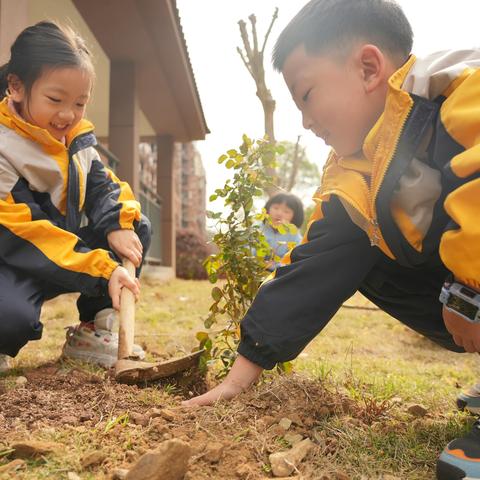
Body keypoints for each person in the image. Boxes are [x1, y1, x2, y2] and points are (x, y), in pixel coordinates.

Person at [183, 1, 480, 478]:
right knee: (359, 245)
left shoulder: (458, 93)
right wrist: (238, 381)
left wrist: (469, 293)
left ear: (367, 68)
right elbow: (314, 264)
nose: (305, 120)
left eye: (307, 95)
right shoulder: (355, 169)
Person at [0, 21, 150, 372]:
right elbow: (30, 234)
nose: (68, 115)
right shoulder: (4, 148)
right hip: (13, 257)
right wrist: (103, 269)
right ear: (16, 87)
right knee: (9, 320)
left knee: (132, 227)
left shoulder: (76, 140)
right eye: (55, 100)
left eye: (80, 103)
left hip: (54, 252)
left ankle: (93, 329)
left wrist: (116, 224)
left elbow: (104, 187)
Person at [261, 193, 304, 271]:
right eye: (276, 208)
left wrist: (274, 266)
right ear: (268, 208)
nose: (279, 214)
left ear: (295, 216)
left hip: (280, 275)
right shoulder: (257, 227)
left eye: (286, 211)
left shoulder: (294, 235)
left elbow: (294, 261)